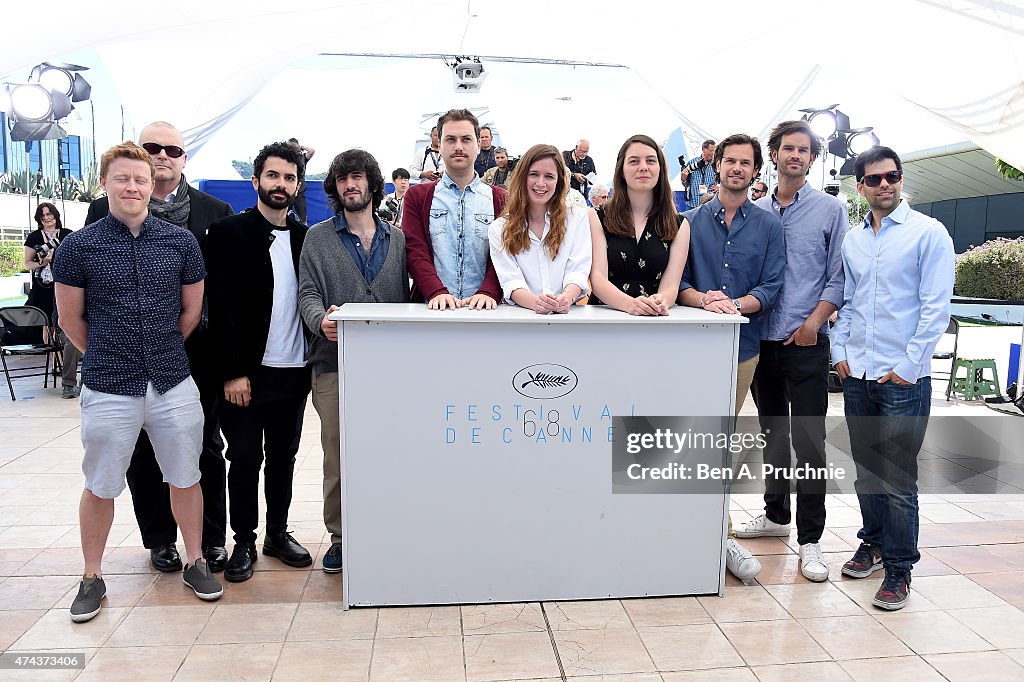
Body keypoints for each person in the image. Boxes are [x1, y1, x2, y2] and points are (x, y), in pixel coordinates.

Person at [54, 142, 222, 622]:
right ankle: (91, 576)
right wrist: (112, 355)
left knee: (186, 475)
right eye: (123, 178)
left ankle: (195, 560)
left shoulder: (180, 242)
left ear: (153, 185)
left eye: (141, 180)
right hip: (109, 383)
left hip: (172, 380)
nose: (132, 187)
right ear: (104, 183)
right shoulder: (79, 246)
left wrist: (158, 351)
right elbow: (70, 320)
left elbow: (190, 313)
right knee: (101, 483)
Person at [84, 121, 233, 574]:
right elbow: (81, 303)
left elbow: (217, 295)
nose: (163, 155)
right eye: (153, 148)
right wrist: (111, 351)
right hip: (122, 365)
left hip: (195, 356)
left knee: (205, 449)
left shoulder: (215, 211)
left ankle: (208, 542)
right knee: (140, 456)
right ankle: (159, 541)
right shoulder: (99, 214)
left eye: (173, 149)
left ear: (185, 159)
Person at [832, 146, 954, 610]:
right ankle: (875, 542)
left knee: (897, 476)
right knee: (867, 471)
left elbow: (935, 307)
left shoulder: (929, 233)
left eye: (892, 177)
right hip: (858, 374)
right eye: (875, 179)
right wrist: (840, 351)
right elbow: (849, 300)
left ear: (900, 180)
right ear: (860, 186)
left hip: (902, 379)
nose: (885, 185)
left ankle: (900, 570)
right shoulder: (854, 239)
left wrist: (909, 365)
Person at [735, 120, 848, 584]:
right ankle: (776, 513)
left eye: (804, 150)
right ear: (774, 155)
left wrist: (813, 324)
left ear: (812, 158)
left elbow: (839, 277)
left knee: (809, 442)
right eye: (787, 148)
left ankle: (811, 539)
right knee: (773, 437)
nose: (795, 156)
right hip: (762, 343)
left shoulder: (830, 210)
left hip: (806, 343)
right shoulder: (754, 210)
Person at [677, 132, 786, 581]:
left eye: (746, 163)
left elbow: (772, 287)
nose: (737, 168)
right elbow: (677, 283)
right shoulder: (688, 221)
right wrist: (704, 300)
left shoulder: (769, 226)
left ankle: (716, 536)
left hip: (742, 351)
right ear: (716, 164)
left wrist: (735, 306)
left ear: (756, 170)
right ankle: (687, 529)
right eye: (730, 161)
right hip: (688, 350)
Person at [299, 149, 410, 573]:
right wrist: (319, 318)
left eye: (358, 177)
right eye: (343, 178)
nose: (351, 185)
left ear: (372, 184)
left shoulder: (396, 238)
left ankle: (387, 526)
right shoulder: (318, 238)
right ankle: (342, 536)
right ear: (335, 187)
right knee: (339, 454)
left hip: (388, 368)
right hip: (334, 363)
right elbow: (307, 291)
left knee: (390, 449)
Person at [206, 141, 312, 583]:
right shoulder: (228, 233)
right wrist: (232, 371)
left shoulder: (309, 238)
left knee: (284, 457)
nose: (280, 184)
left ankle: (276, 534)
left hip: (294, 372)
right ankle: (244, 541)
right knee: (245, 457)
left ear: (298, 185)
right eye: (273, 176)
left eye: (289, 178)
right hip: (245, 375)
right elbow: (219, 307)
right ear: (256, 181)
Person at [403, 108, 507, 310]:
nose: (458, 146)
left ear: (479, 145)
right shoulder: (417, 197)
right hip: (431, 309)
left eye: (466, 139)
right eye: (450, 139)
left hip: (486, 310)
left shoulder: (501, 199)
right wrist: (436, 291)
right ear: (439, 146)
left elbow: (506, 252)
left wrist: (488, 291)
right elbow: (415, 251)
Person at [587, 134, 688, 315]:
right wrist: (631, 305)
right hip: (604, 318)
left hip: (653, 321)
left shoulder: (679, 224)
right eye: (634, 161)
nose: (643, 167)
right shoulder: (597, 216)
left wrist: (660, 301)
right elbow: (598, 278)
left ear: (660, 168)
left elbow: (671, 286)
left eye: (650, 160)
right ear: (621, 170)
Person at [488, 144, 592, 313]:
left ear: (558, 181)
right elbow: (511, 281)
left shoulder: (577, 218)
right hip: (522, 322)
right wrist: (536, 303)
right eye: (534, 174)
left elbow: (578, 271)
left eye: (549, 176)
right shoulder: (499, 228)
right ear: (522, 177)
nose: (541, 183)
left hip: (566, 321)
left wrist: (566, 298)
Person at [23, 203, 80, 398]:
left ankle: (66, 369)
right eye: (43, 215)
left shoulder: (66, 234)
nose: (47, 217)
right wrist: (43, 262)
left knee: (65, 326)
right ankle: (57, 362)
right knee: (47, 325)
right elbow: (27, 263)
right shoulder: (34, 237)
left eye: (50, 214)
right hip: (43, 286)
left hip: (64, 286)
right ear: (38, 218)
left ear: (56, 215)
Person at [680, 139, 718, 210]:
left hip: (709, 205)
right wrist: (683, 179)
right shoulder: (692, 163)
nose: (713, 153)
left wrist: (720, 188)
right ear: (703, 149)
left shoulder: (716, 164)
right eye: (711, 150)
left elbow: (726, 180)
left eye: (715, 150)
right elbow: (686, 185)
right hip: (692, 204)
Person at [287, 137, 315, 224]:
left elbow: (312, 151)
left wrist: (302, 147)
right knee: (281, 215)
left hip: (300, 191)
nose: (293, 150)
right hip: (287, 191)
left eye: (295, 148)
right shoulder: (285, 159)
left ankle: (304, 234)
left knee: (303, 219)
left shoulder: (302, 158)